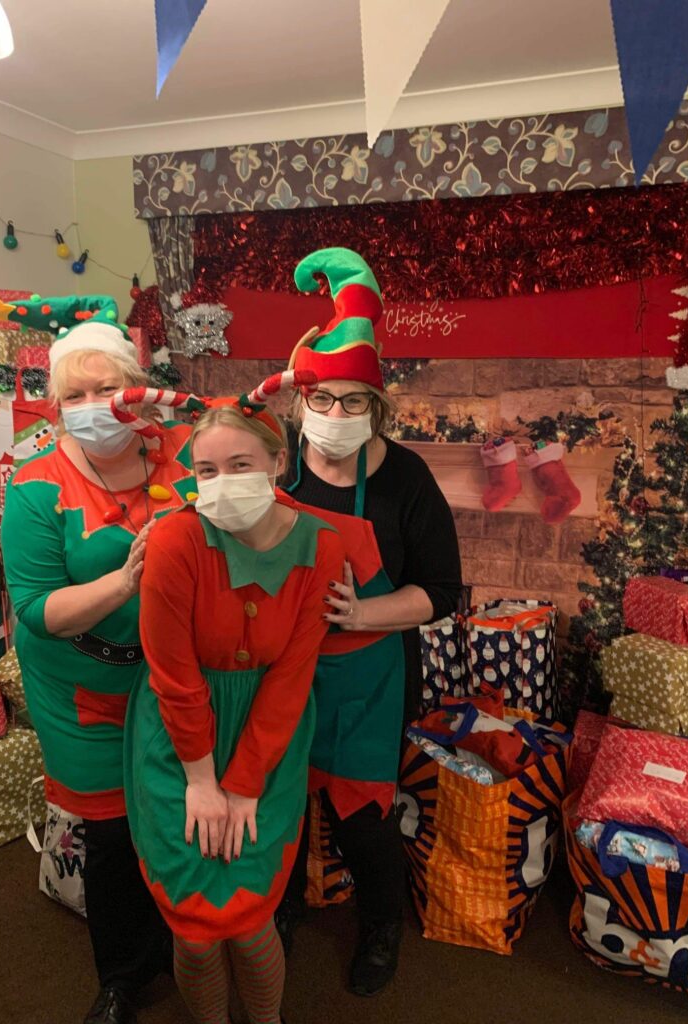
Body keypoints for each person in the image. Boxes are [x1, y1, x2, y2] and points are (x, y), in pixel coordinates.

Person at [120, 373, 346, 1024]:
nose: (221, 482)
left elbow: (293, 674)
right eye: (206, 470)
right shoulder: (175, 539)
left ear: (278, 461)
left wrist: (244, 784)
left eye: (240, 465)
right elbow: (172, 671)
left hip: (267, 736)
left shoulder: (321, 546)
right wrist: (201, 779)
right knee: (194, 926)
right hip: (176, 736)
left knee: (249, 921)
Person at [0, 294, 193, 1024]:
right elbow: (36, 609)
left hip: (172, 677)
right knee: (111, 834)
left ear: (136, 389)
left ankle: (191, 943)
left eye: (104, 389)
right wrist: (126, 580)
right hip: (79, 690)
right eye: (72, 396)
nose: (89, 408)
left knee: (174, 813)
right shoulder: (35, 484)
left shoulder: (182, 452)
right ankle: (121, 977)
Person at [276, 248, 463, 996]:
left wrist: (361, 612)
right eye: (322, 399)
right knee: (282, 803)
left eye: (355, 402)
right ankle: (280, 910)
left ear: (379, 408)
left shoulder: (406, 479)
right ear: (299, 401)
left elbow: (439, 592)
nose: (336, 415)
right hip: (282, 671)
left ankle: (382, 924)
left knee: (363, 819)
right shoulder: (274, 468)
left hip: (370, 680)